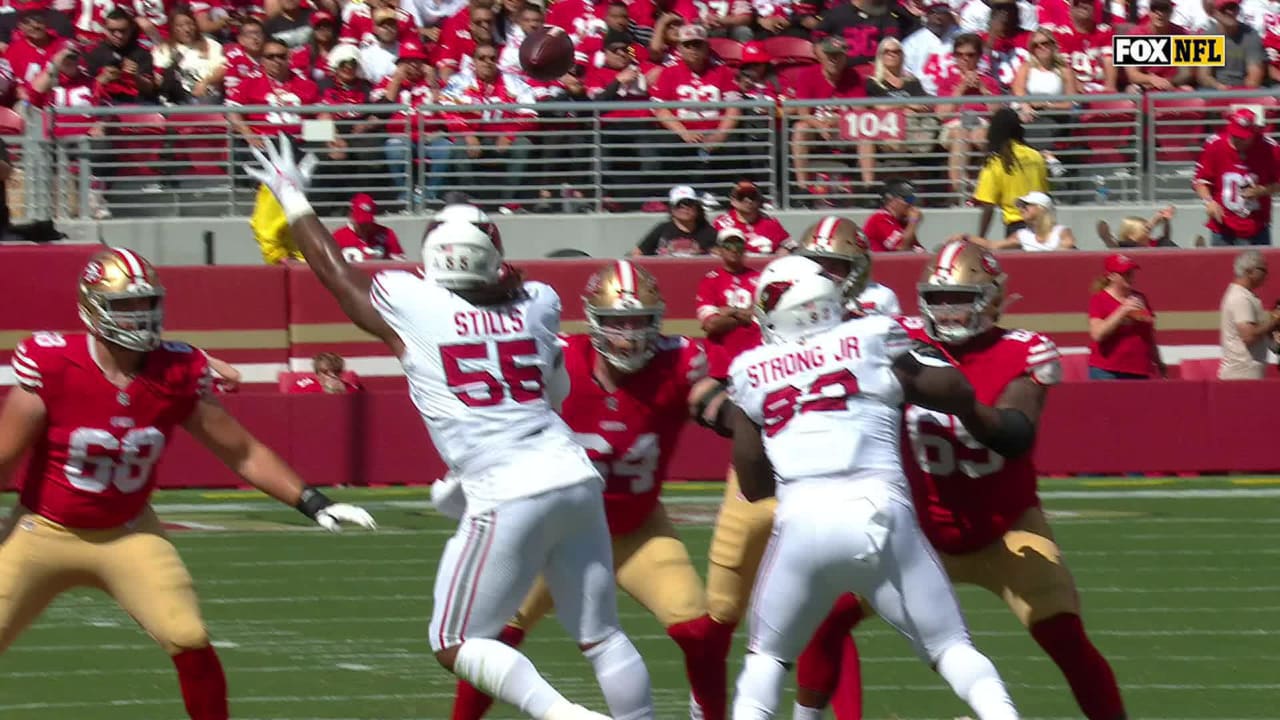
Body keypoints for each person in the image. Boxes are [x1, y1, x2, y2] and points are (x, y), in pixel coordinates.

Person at [246, 136, 654, 720]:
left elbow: (337, 275)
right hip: (572, 473)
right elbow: (554, 388)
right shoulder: (538, 299)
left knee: (454, 641)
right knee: (602, 634)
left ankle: (564, 716)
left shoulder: (411, 300)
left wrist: (293, 198)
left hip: (504, 487)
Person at [0, 248, 376, 720]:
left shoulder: (178, 370)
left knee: (188, 637)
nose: (140, 318)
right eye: (126, 307)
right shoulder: (52, 362)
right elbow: (4, 456)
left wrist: (311, 500)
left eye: (147, 304)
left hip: (128, 532)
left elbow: (241, 451)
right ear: (92, 309)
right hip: (44, 530)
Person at [794, 240, 1127, 720]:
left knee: (1065, 638)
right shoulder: (895, 338)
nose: (947, 310)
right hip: (913, 533)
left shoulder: (1025, 350)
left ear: (991, 298)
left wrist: (961, 402)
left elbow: (1015, 436)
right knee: (825, 619)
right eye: (938, 298)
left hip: (1005, 528)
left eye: (960, 298)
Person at [723, 254, 1020, 720]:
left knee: (768, 658)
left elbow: (754, 484)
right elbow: (956, 391)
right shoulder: (869, 336)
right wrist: (900, 379)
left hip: (801, 521)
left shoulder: (750, 368)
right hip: (880, 511)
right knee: (949, 647)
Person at [449, 261, 733, 720]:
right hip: (553, 530)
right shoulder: (555, 360)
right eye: (617, 323)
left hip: (634, 526)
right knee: (493, 639)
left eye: (639, 322)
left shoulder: (679, 362)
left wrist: (731, 417)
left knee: (698, 631)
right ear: (594, 323)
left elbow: (706, 397)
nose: (629, 335)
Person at [1193, 108, 1278, 247]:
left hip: (1257, 225)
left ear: (1254, 131)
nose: (1238, 141)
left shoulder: (1270, 148)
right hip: (1222, 226)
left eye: (1243, 138)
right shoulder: (1215, 144)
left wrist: (1262, 191)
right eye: (1235, 136)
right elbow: (1200, 181)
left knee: (1258, 267)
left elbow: (1277, 182)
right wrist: (1209, 201)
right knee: (1221, 268)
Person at [791, 215, 901, 316]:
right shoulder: (792, 295)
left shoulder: (879, 296)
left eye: (834, 266)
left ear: (856, 268)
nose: (823, 273)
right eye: (815, 264)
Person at [973, 107, 1049, 239]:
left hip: (1016, 228)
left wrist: (981, 237)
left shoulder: (995, 163)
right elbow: (1045, 192)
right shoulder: (1036, 156)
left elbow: (988, 206)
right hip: (1042, 225)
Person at [1087, 253, 1166, 380]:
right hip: (1108, 370)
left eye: (1131, 271)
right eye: (1124, 273)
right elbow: (1097, 334)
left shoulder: (1140, 298)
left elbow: (1148, 335)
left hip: (1139, 369)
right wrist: (1122, 311)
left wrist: (1158, 361)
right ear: (1111, 276)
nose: (1130, 276)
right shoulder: (1099, 299)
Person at [696, 228, 763, 364]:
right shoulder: (710, 281)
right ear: (719, 250)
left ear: (744, 249)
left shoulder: (759, 278)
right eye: (728, 246)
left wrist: (732, 311)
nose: (733, 249)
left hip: (756, 353)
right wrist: (747, 317)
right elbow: (711, 324)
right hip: (722, 355)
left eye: (738, 245)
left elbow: (764, 318)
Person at [1219, 250, 1280, 380]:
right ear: (1249, 271)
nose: (1266, 275)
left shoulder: (1245, 296)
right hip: (1241, 375)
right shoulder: (1240, 298)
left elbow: (1257, 332)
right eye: (1263, 270)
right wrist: (1275, 321)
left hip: (1246, 373)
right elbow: (1248, 336)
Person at [969, 191, 1076, 251]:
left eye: (1026, 205)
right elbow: (993, 245)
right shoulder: (1021, 235)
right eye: (1020, 206)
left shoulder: (1062, 232)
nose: (1021, 209)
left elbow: (1067, 251)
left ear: (1041, 208)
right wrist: (966, 237)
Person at [633, 185, 718, 256]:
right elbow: (637, 254)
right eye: (679, 204)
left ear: (697, 207)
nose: (685, 208)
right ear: (671, 209)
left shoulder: (708, 232)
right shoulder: (662, 229)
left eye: (689, 203)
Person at [711, 181, 790, 256]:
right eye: (741, 196)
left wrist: (786, 249)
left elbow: (790, 243)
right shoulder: (721, 223)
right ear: (732, 201)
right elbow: (710, 248)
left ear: (759, 200)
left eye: (752, 197)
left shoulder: (770, 222)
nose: (748, 200)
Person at [334, 193, 406, 261]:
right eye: (360, 222)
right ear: (351, 214)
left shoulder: (387, 234)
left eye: (367, 222)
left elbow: (400, 263)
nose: (364, 226)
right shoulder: (339, 237)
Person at [862, 179, 922, 252]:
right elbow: (901, 249)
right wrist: (913, 221)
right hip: (878, 263)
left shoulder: (901, 222)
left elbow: (919, 249)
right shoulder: (879, 218)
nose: (911, 203)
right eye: (908, 199)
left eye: (912, 199)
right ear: (890, 199)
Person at [287, 351, 363, 393]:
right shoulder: (303, 386)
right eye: (326, 372)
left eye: (336, 371)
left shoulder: (351, 389)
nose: (333, 375)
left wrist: (343, 393)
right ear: (317, 374)